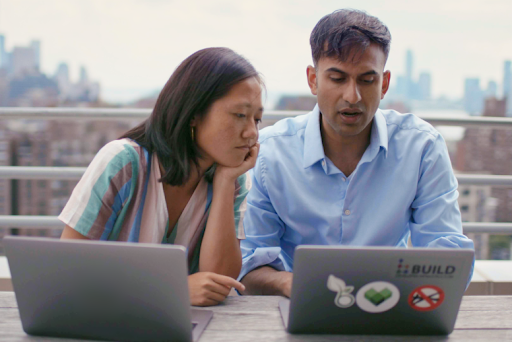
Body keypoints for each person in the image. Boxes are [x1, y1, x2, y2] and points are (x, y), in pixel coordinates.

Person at [239, 9, 474, 297]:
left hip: (389, 305)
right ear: (313, 80)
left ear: (384, 84)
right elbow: (250, 264)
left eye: (367, 80)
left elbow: (447, 257)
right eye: (337, 79)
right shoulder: (270, 152)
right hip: (296, 304)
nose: (353, 96)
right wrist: (291, 283)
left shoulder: (422, 147)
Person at [59, 47, 263, 306]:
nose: (252, 133)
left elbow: (219, 280)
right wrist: (172, 289)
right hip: (107, 321)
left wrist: (224, 183)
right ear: (193, 114)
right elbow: (67, 271)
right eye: (240, 115)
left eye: (257, 119)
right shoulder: (124, 163)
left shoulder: (232, 179)